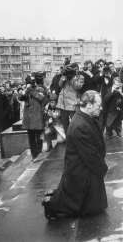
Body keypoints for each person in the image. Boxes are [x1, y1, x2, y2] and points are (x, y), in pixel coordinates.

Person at [41, 90, 108, 220]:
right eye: (98, 105)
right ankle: (51, 206)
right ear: (89, 104)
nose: (101, 108)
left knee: (95, 205)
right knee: (86, 207)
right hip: (81, 169)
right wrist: (102, 168)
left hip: (82, 166)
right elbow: (90, 155)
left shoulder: (84, 118)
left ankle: (55, 196)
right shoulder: (80, 125)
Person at [18, 73, 48, 160]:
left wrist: (31, 90)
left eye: (32, 81)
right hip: (29, 118)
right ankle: (33, 154)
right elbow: (20, 97)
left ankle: (38, 152)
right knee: (31, 138)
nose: (31, 83)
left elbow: (41, 98)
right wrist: (26, 90)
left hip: (38, 116)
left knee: (39, 137)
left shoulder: (41, 89)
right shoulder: (26, 89)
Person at [56, 63, 85, 134]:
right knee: (65, 125)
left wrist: (72, 78)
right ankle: (68, 142)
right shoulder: (65, 76)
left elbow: (78, 87)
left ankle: (76, 141)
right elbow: (60, 85)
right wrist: (64, 76)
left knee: (75, 124)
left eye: (74, 69)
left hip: (72, 104)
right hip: (63, 104)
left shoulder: (80, 77)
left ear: (77, 69)